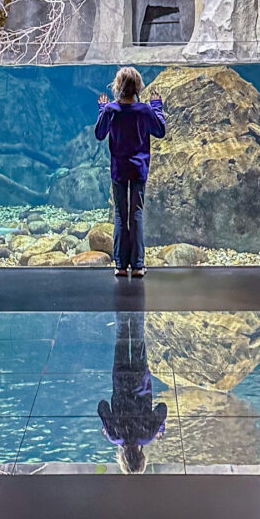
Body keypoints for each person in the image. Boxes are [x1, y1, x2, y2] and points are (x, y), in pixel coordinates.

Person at [94, 66, 166, 278]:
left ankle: (120, 265)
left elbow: (99, 134)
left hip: (119, 169)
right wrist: (156, 107)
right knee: (136, 214)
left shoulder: (111, 110)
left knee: (120, 214)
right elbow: (160, 131)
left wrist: (103, 109)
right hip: (139, 169)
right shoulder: (144, 110)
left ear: (117, 86)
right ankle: (137, 265)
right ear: (138, 86)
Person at [97, 312, 167, 473]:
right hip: (120, 378)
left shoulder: (147, 436)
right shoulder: (114, 436)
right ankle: (121, 303)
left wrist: (159, 429)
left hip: (140, 377)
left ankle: (136, 305)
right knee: (121, 336)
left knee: (137, 338)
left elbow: (162, 408)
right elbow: (102, 405)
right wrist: (106, 426)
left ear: (142, 457)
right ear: (122, 458)